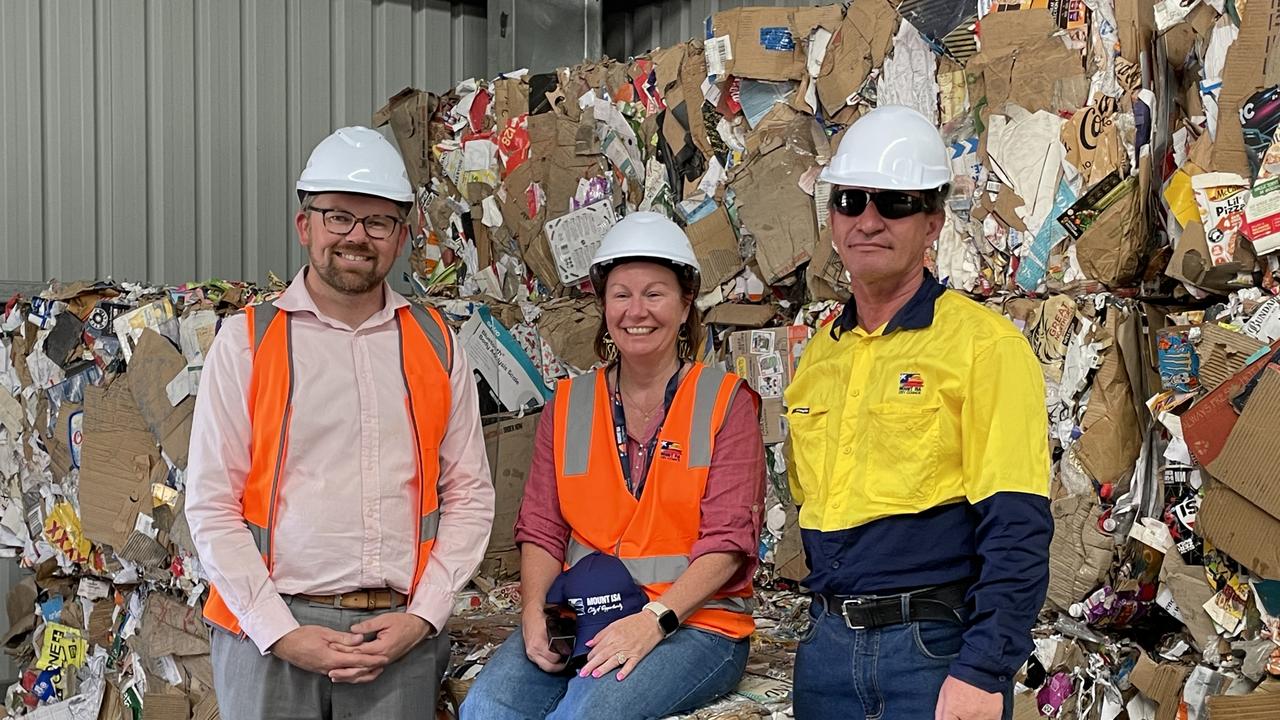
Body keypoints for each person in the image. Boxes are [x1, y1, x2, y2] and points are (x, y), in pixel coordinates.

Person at [186, 126, 496, 719]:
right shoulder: (248, 342)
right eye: (338, 217)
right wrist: (279, 631)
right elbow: (210, 505)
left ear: (401, 237)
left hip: (396, 638)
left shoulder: (437, 345)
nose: (357, 237)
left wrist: (423, 617)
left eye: (378, 222)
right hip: (267, 640)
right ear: (306, 226)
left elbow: (469, 496)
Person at [784, 106, 1052, 720]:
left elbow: (1016, 525)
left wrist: (984, 670)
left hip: (932, 651)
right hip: (824, 650)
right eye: (851, 200)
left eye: (895, 203)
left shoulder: (984, 346)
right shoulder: (818, 356)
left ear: (932, 221)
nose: (868, 221)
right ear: (831, 216)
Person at [459, 212, 766, 719]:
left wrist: (654, 620)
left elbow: (729, 543)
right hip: (582, 612)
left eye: (655, 293)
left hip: (695, 624)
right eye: (621, 294)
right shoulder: (568, 404)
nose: (636, 311)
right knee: (488, 708)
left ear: (686, 301)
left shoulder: (724, 402)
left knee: (585, 713)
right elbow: (542, 526)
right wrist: (534, 613)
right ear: (603, 304)